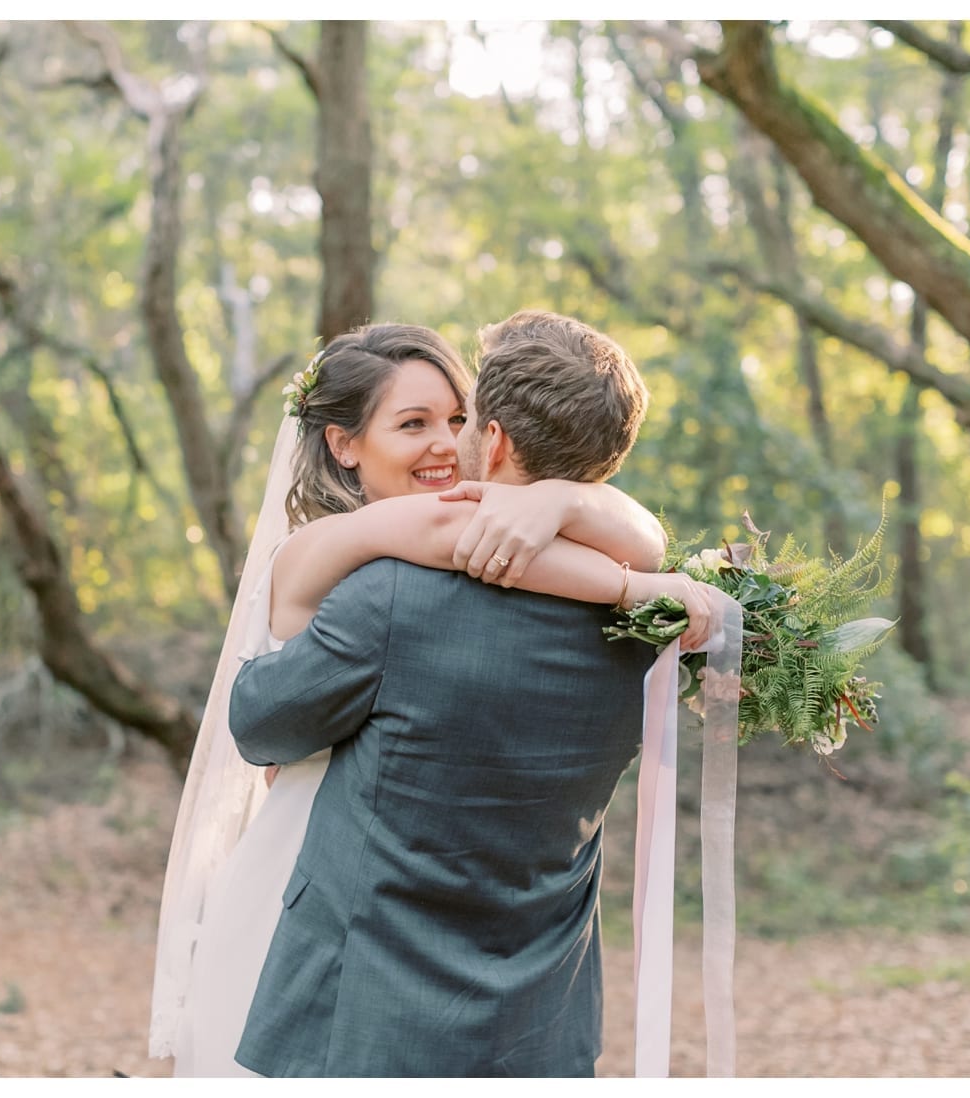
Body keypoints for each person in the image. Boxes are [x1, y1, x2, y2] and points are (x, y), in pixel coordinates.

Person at [149, 318, 716, 1076]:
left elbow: (260, 722)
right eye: (414, 423)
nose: (448, 445)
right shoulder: (645, 630)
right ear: (342, 443)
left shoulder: (383, 597)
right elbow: (620, 536)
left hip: (366, 996)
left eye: (459, 420)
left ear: (497, 440)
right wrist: (628, 576)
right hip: (539, 1010)